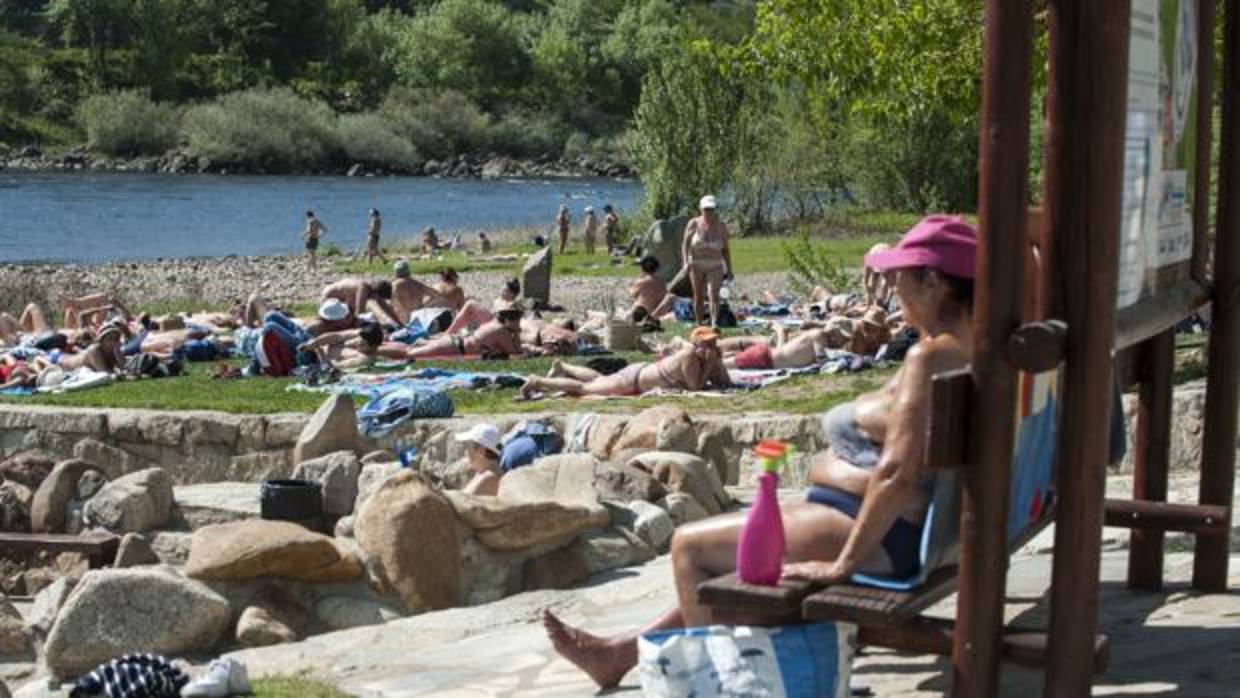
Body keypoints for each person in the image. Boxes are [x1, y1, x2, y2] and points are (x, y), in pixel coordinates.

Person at [542, 215, 978, 689]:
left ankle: (724, 685)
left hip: (884, 539)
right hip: (900, 527)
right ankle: (618, 654)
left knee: (691, 547)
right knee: (744, 557)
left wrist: (844, 564)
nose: (893, 288)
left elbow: (896, 472)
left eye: (902, 277)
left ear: (934, 281)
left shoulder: (931, 357)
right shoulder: (971, 350)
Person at [520, 326, 731, 399]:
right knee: (586, 389)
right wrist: (711, 365)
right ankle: (537, 381)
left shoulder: (706, 356)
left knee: (601, 379)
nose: (711, 347)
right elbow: (696, 387)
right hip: (634, 381)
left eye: (713, 343)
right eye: (707, 344)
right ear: (696, 344)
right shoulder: (689, 356)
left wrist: (717, 362)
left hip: (639, 374)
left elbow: (725, 383)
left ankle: (563, 366)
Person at [681, 195, 734, 327]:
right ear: (701, 209)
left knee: (713, 293)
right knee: (698, 295)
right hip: (696, 263)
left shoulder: (721, 227)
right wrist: (685, 261)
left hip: (715, 264)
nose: (708, 212)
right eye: (706, 209)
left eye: (711, 209)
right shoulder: (693, 223)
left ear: (715, 209)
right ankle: (699, 323)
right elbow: (685, 243)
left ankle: (714, 323)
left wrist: (730, 269)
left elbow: (726, 250)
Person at [403, 307, 526, 360]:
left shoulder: (494, 324)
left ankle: (384, 347)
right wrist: (517, 332)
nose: (519, 324)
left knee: (407, 350)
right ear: (511, 320)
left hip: (454, 341)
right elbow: (516, 352)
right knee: (407, 354)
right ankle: (382, 350)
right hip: (454, 347)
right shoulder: (501, 331)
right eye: (518, 321)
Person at [442, 278, 521, 336]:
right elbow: (491, 313)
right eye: (502, 289)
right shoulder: (499, 300)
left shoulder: (512, 304)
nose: (502, 292)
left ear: (512, 294)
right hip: (491, 322)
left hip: (496, 326)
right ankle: (454, 331)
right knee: (469, 311)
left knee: (470, 304)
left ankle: (449, 332)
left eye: (505, 291)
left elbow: (509, 321)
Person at [298, 321, 386, 369]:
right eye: (360, 340)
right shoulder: (361, 334)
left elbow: (332, 367)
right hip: (311, 344)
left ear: (373, 347)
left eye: (363, 344)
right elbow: (335, 336)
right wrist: (311, 345)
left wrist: (320, 352)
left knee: (285, 335)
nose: (358, 343)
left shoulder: (364, 359)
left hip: (311, 359)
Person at [321, 278, 401, 325]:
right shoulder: (363, 288)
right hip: (330, 295)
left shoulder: (372, 290)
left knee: (349, 316)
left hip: (341, 296)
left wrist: (399, 324)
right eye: (379, 297)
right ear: (376, 293)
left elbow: (386, 308)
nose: (378, 300)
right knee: (342, 320)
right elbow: (359, 313)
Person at [455, 424, 505, 496]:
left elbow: (461, 501)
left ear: (481, 451)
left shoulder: (489, 478)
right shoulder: (483, 473)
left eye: (468, 447)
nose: (465, 452)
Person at [626, 255, 674, 322]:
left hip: (642, 312)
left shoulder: (642, 282)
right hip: (658, 313)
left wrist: (632, 284)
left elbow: (632, 294)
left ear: (642, 268)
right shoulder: (661, 283)